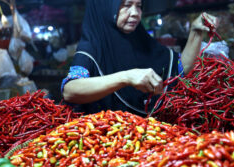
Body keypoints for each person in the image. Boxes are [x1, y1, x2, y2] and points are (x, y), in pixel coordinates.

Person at [61, 0, 218, 115]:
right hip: (107, 141)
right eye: (127, 5)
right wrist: (126, 77)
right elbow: (70, 90)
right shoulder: (92, 47)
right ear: (106, 7)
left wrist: (196, 32)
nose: (135, 13)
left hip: (146, 138)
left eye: (139, 6)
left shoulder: (142, 41)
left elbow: (179, 70)